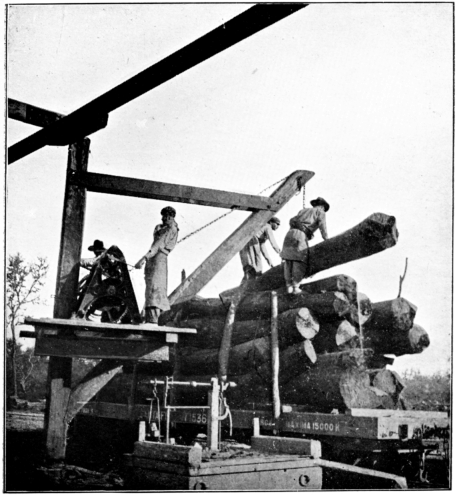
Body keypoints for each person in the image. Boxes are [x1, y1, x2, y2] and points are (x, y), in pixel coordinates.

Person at [135, 206, 179, 324]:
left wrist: (143, 258)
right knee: (150, 288)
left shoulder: (171, 229)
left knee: (156, 289)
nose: (162, 219)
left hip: (159, 260)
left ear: (170, 216)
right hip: (154, 260)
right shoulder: (161, 228)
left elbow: (158, 245)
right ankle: (149, 318)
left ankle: (153, 320)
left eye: (165, 216)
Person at [281, 197, 330, 294]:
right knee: (300, 259)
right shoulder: (320, 212)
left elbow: (292, 221)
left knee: (288, 259)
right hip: (300, 236)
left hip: (289, 234)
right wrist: (326, 239)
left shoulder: (303, 210)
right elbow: (322, 226)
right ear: (322, 206)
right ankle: (295, 287)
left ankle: (288, 286)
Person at [240, 217, 281, 281]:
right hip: (251, 241)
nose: (278, 226)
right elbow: (272, 241)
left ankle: (253, 278)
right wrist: (280, 251)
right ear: (271, 222)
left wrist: (269, 260)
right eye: (277, 224)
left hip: (249, 242)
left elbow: (262, 246)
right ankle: (254, 279)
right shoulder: (268, 227)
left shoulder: (262, 230)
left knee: (254, 263)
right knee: (254, 263)